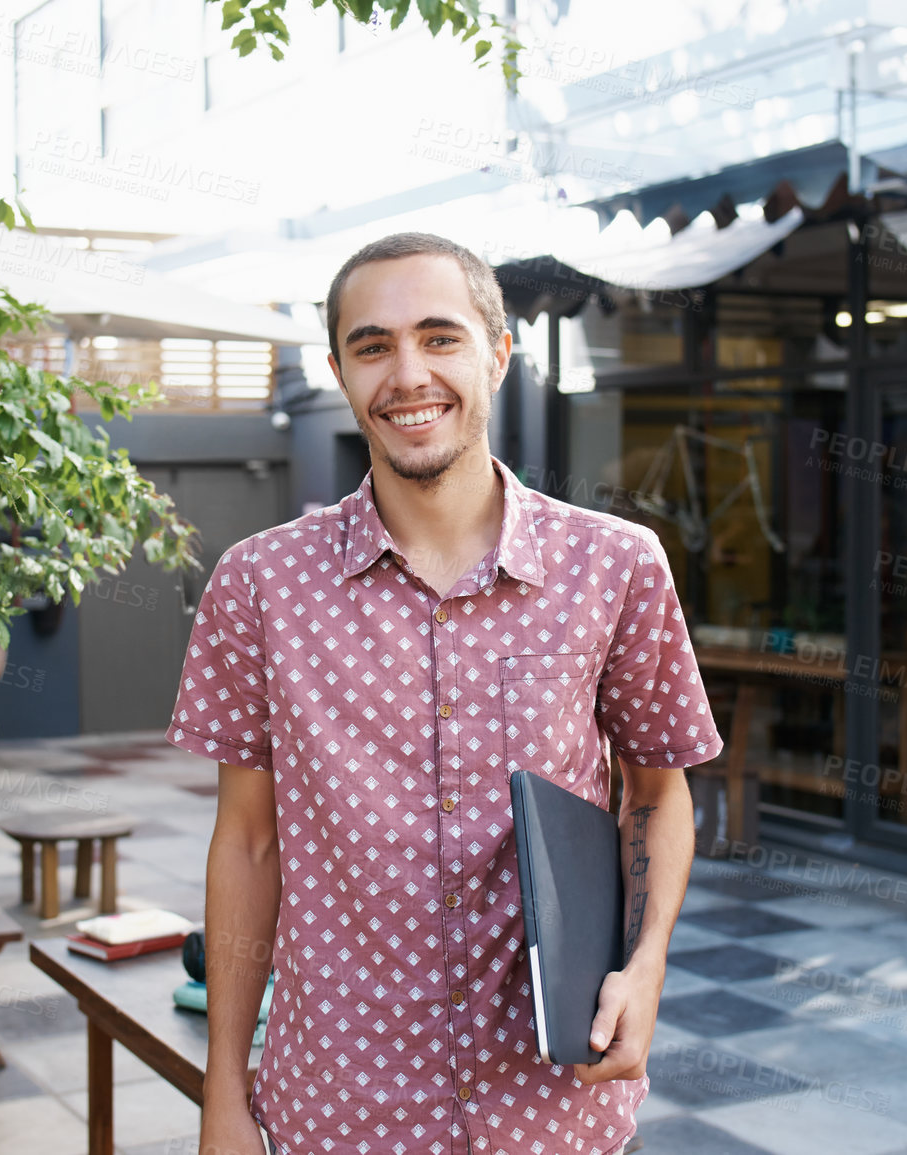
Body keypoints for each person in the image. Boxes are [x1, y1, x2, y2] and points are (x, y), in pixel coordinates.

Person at [168, 232, 722, 1155]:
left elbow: (657, 797)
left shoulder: (615, 565)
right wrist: (224, 1090)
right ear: (341, 370)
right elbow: (249, 840)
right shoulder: (258, 585)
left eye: (440, 336)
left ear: (498, 354)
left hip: (551, 1107)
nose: (407, 374)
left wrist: (647, 959)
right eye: (373, 345)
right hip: (339, 1107)